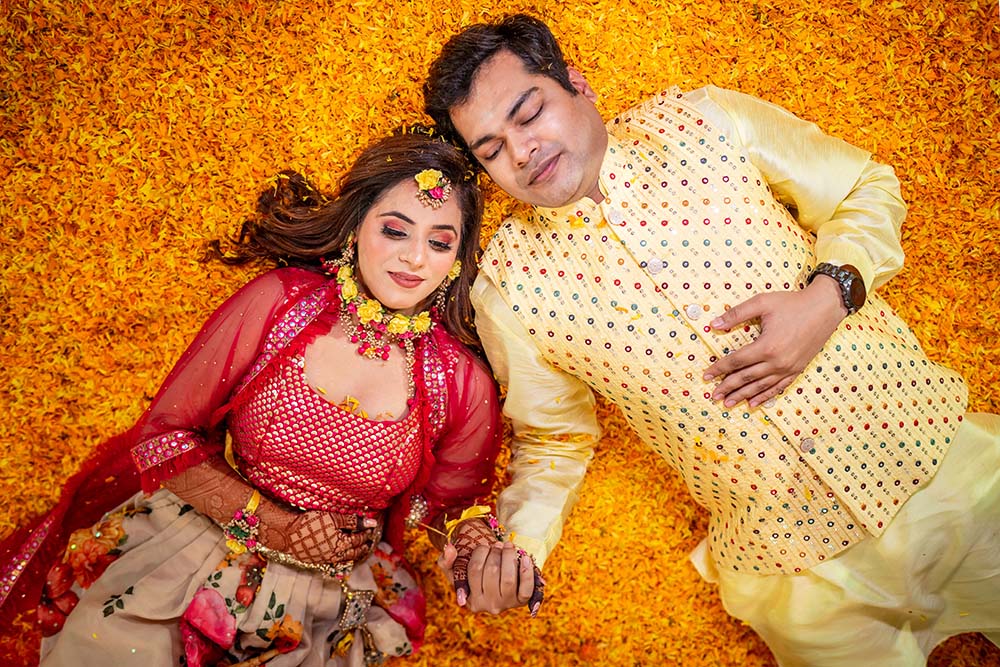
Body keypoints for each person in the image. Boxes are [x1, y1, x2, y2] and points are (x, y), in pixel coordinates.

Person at [423, 13, 1000, 666]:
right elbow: (555, 439)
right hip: (799, 578)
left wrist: (828, 296)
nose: (522, 152)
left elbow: (864, 189)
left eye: (529, 113)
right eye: (492, 150)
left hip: (948, 469)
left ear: (576, 83)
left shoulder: (703, 122)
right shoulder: (508, 287)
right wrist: (516, 551)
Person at [0, 129, 539, 667]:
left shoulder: (458, 381)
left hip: (322, 607)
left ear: (457, 259)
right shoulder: (280, 306)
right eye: (395, 230)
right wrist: (278, 529)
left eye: (440, 243)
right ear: (356, 227)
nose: (415, 257)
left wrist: (473, 548)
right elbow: (164, 438)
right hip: (189, 554)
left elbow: (444, 507)